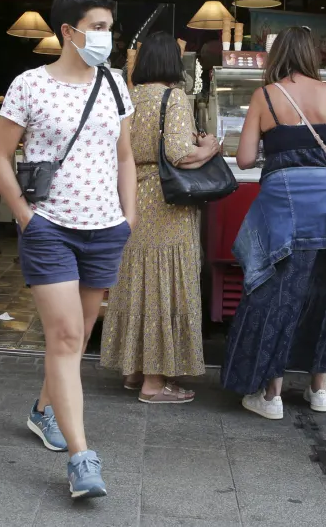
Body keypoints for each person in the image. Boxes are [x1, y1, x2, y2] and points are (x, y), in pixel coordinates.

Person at [0, 0, 135, 499]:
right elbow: (0, 157)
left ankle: (43, 411)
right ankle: (81, 457)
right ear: (68, 32)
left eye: (109, 27)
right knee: (67, 337)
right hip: (50, 227)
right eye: (97, 26)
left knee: (80, 332)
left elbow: (124, 157)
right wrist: (27, 219)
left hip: (104, 228)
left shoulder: (115, 84)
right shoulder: (30, 84)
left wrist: (128, 218)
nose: (106, 36)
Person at [221, 26, 326, 419]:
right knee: (325, 291)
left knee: (278, 290)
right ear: (314, 56)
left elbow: (246, 159)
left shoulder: (265, 96)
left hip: (282, 203)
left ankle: (272, 396)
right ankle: (320, 390)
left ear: (278, 54)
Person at [100, 31, 219, 403]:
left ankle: (134, 371)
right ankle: (154, 383)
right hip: (166, 202)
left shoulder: (128, 96)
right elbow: (180, 154)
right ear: (172, 62)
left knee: (137, 281)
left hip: (131, 196)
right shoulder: (174, 97)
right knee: (164, 284)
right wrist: (210, 147)